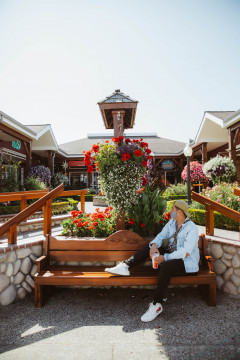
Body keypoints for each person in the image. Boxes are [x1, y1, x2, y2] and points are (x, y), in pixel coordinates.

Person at [105, 200, 199, 322]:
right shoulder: (171, 223)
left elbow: (185, 252)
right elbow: (161, 236)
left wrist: (165, 258)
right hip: (172, 257)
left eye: (173, 209)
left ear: (179, 212)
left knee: (166, 266)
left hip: (187, 263)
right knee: (151, 246)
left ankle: (157, 305)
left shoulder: (191, 228)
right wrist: (154, 245)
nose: (171, 211)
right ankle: (125, 266)